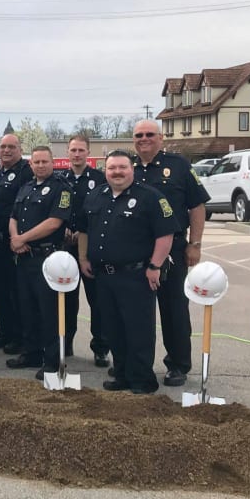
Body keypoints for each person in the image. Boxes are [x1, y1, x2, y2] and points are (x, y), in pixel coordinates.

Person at [77, 150, 178, 393]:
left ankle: (142, 380)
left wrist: (155, 266)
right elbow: (84, 230)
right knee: (113, 329)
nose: (117, 172)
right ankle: (121, 374)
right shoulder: (96, 195)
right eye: (112, 168)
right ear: (105, 170)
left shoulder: (151, 197)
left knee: (138, 330)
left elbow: (165, 234)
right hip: (104, 276)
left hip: (136, 276)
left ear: (131, 169)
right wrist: (83, 258)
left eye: (122, 167)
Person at [131, 120, 210, 387]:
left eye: (149, 134)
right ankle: (135, 363)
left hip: (172, 250)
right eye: (139, 135)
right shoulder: (127, 167)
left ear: (161, 138)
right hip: (136, 251)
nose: (144, 139)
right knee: (136, 311)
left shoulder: (179, 166)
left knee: (173, 309)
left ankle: (177, 364)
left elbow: (197, 206)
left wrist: (194, 244)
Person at [7, 146, 72, 379]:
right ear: (31, 164)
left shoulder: (61, 188)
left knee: (49, 312)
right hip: (24, 256)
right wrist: (15, 239)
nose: (41, 165)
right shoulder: (26, 187)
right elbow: (13, 216)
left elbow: (54, 222)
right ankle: (31, 352)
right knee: (27, 308)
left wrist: (21, 238)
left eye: (45, 161)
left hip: (47, 259)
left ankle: (52, 359)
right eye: (37, 162)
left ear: (53, 163)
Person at [58, 134, 108, 366]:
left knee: (97, 301)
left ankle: (100, 347)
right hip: (65, 247)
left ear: (88, 152)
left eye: (81, 150)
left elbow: (106, 212)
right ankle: (65, 342)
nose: (77, 154)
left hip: (91, 249)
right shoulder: (59, 180)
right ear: (67, 153)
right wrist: (64, 229)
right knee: (67, 299)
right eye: (73, 150)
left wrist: (85, 232)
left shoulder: (100, 179)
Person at [0, 133, 33, 354]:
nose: (6, 150)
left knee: (16, 292)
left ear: (19, 148)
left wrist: (19, 237)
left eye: (11, 147)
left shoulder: (26, 172)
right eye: (3, 146)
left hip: (16, 241)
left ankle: (19, 336)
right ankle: (4, 331)